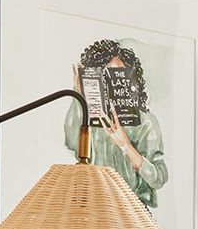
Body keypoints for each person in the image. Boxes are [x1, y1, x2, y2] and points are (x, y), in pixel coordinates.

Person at [65, 40, 168, 209]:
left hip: (133, 212)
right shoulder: (92, 120)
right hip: (95, 208)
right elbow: (74, 147)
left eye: (118, 74)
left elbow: (159, 178)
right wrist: (79, 95)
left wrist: (126, 146)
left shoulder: (146, 122)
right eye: (105, 77)